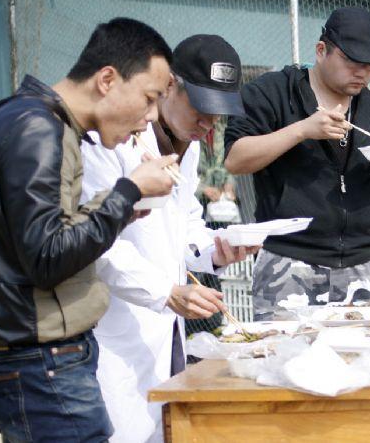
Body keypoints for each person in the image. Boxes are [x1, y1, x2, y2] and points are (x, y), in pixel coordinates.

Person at [0, 17, 176, 442]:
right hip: (40, 359)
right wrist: (127, 191)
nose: (150, 118)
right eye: (149, 99)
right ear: (107, 79)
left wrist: (121, 209)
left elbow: (32, 235)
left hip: (39, 357)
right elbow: (47, 256)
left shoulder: (36, 122)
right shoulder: (37, 128)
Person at [80, 34, 259, 443]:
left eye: (217, 114)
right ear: (170, 85)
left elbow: (183, 222)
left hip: (165, 329)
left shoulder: (187, 142)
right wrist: (165, 292)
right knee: (120, 427)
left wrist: (215, 250)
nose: (207, 124)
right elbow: (97, 241)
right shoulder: (111, 139)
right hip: (115, 326)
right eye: (201, 109)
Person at [224, 7, 370, 320]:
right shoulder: (273, 92)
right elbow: (236, 158)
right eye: (352, 62)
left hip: (362, 262)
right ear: (321, 50)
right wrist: (301, 130)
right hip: (289, 262)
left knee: (360, 350)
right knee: (287, 350)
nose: (362, 74)